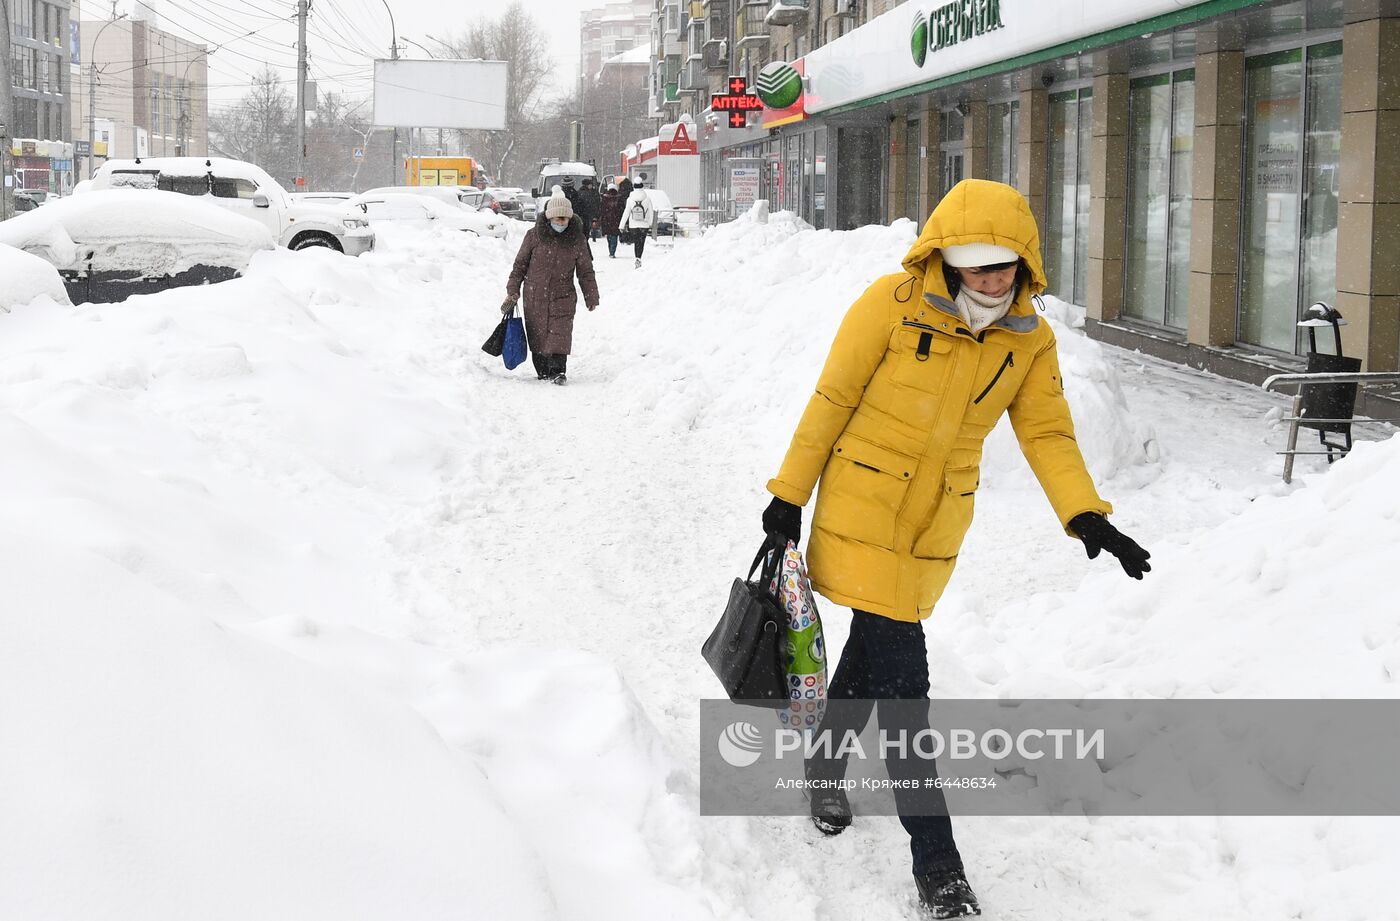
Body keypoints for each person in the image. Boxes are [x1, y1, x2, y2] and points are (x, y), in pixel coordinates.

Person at [759, 179, 1151, 919]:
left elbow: (1047, 433)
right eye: (976, 263)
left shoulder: (1028, 339)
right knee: (906, 690)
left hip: (933, 528)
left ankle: (824, 760)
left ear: (1024, 261)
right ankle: (937, 866)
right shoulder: (891, 304)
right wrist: (790, 492)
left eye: (1003, 263)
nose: (991, 277)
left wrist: (1087, 515)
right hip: (864, 508)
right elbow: (832, 398)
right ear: (945, 256)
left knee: (872, 655)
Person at [501, 189, 599, 386]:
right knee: (537, 334)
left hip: (563, 296)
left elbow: (586, 271)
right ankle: (543, 369)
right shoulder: (534, 236)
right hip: (535, 294)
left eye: (564, 219)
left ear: (570, 219)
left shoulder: (577, 240)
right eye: (556, 218)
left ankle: (558, 370)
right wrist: (513, 290)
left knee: (560, 334)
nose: (560, 223)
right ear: (549, 217)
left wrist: (591, 296)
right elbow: (520, 265)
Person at [617, 180, 656, 268]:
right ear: (642, 186)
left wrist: (621, 225)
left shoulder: (630, 199)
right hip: (644, 224)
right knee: (641, 242)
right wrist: (650, 223)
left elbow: (626, 213)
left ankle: (637, 258)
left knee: (636, 242)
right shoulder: (647, 198)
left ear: (634, 187)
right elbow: (651, 212)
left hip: (633, 225)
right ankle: (639, 258)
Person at [599, 182, 625, 258]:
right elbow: (622, 210)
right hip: (616, 220)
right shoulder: (619, 198)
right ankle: (612, 251)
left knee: (609, 236)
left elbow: (602, 209)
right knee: (614, 236)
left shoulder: (605, 198)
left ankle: (610, 249)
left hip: (607, 220)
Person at [578, 177, 603, 242]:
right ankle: (589, 237)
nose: (591, 186)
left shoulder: (579, 192)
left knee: (583, 227)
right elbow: (594, 203)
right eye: (590, 184)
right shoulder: (590, 193)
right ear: (587, 185)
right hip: (589, 213)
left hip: (582, 213)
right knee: (590, 226)